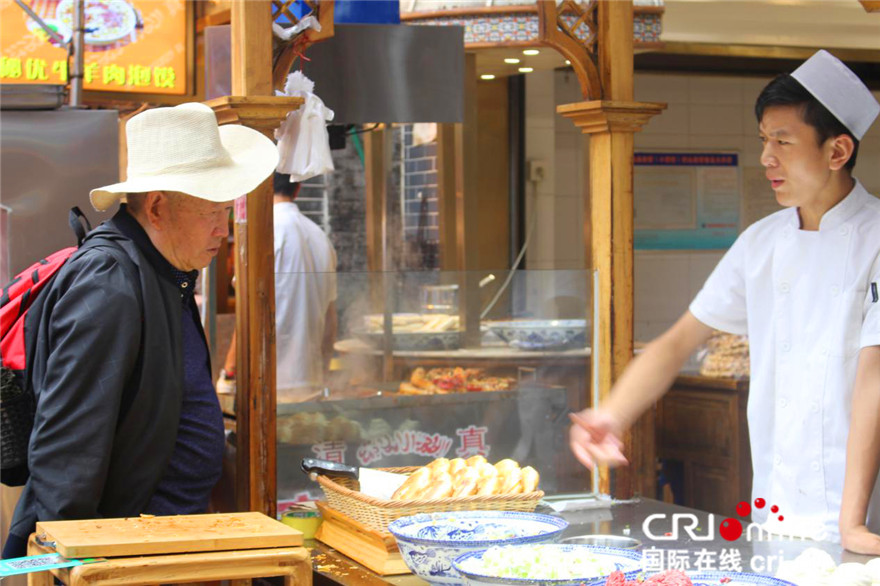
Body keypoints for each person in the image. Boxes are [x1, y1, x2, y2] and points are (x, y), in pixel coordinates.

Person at [569, 50, 880, 550]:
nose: (766, 159)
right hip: (773, 509)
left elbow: (874, 377)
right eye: (763, 140)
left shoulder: (877, 238)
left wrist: (853, 523)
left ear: (837, 151)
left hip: (862, 516)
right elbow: (679, 341)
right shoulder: (761, 241)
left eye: (783, 141)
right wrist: (612, 414)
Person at [2, 102, 278, 558]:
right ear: (156, 207)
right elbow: (67, 446)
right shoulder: (110, 285)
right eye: (212, 212)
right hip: (119, 557)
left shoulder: (163, 270)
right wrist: (75, 564)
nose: (223, 230)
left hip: (157, 548)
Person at [218, 172, 337, 402]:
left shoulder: (261, 232)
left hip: (267, 383)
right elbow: (331, 320)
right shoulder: (321, 237)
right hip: (311, 382)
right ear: (298, 188)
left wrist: (229, 371)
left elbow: (248, 312)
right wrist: (321, 374)